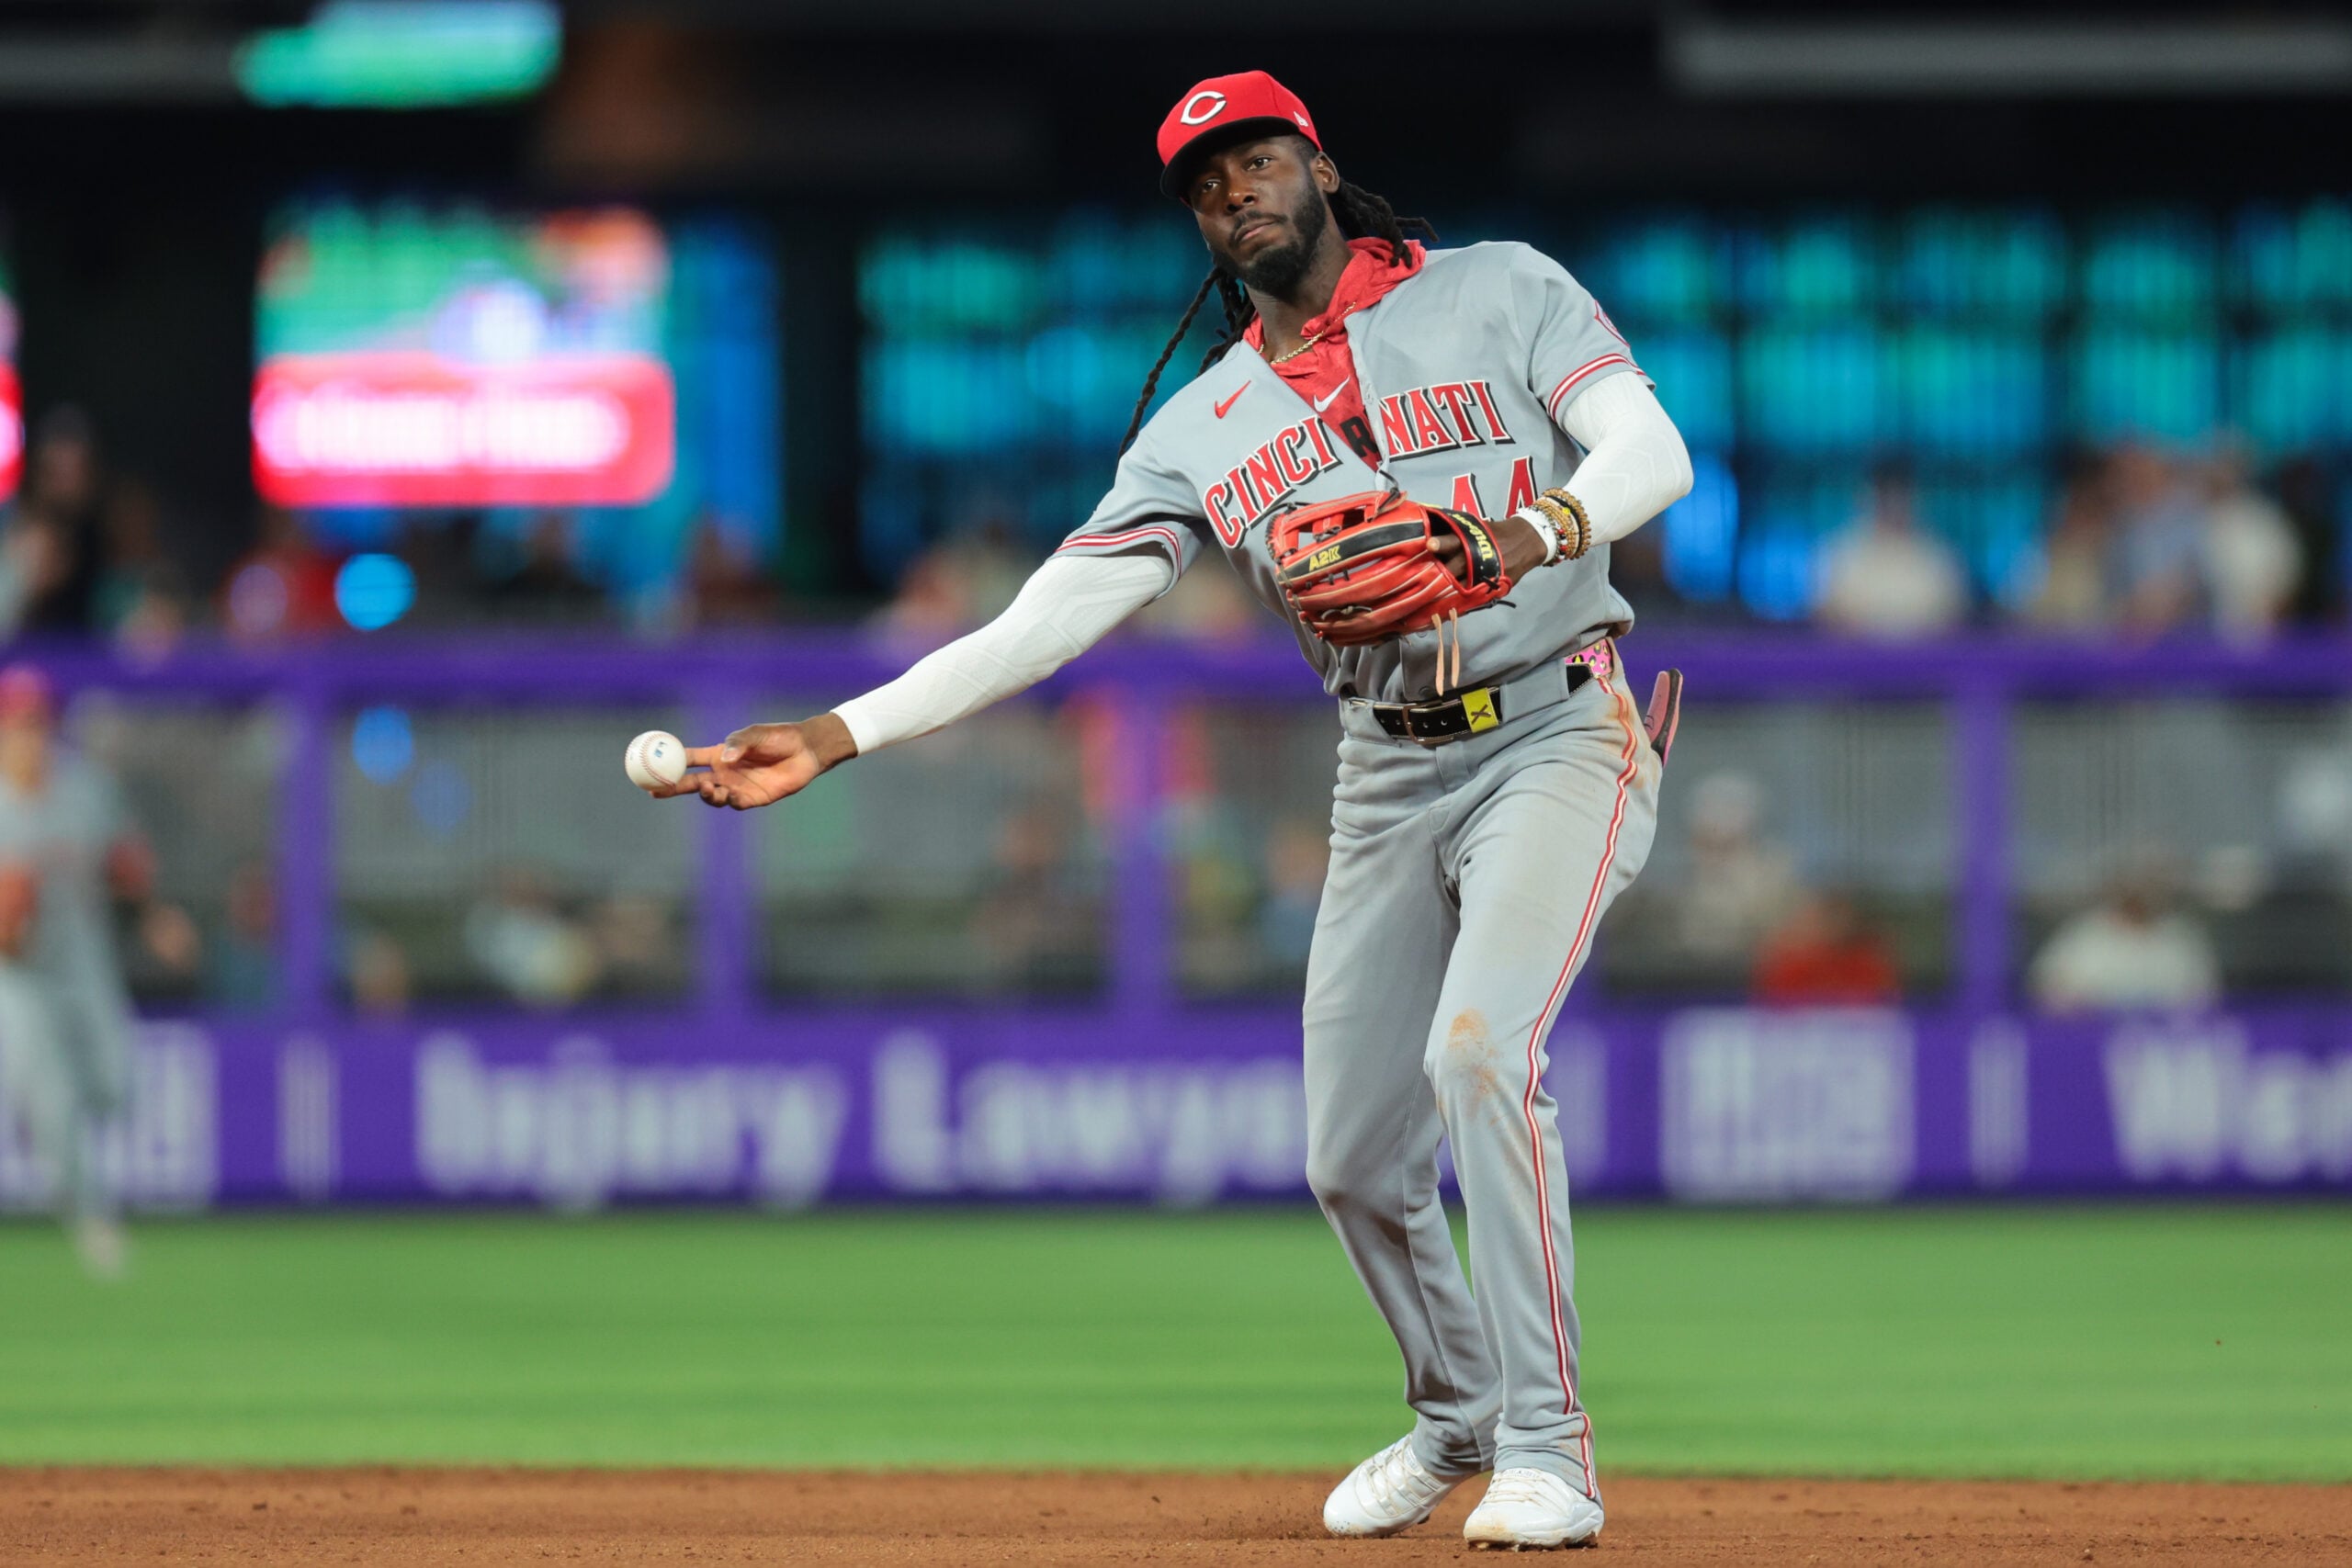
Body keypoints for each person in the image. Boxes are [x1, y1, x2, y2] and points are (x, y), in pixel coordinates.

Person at [650, 71, 1690, 1550]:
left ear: (1318, 164)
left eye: (1255, 157)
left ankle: (1547, 1445)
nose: (1233, 191)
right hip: (1385, 766)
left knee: (1478, 1052)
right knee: (1347, 1155)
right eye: (1204, 184)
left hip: (1556, 728)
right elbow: (1045, 617)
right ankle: (1454, 1406)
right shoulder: (1208, 423)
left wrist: (1526, 528)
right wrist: (837, 731)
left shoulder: (1498, 288)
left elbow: (1654, 452)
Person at [0, 666, 150, 1277]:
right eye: (21, 719)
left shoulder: (86, 789)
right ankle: (91, 1219)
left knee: (117, 1086)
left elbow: (127, 863)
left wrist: (145, 900)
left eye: (41, 718)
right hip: (18, 972)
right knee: (55, 1105)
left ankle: (47, 1112)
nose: (33, 730)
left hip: (85, 958)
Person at [1815, 463, 1968, 638]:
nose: (1894, 503)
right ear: (1865, 496)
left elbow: (1954, 621)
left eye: (1901, 494)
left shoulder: (1939, 556)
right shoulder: (1839, 553)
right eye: (1885, 494)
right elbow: (1826, 621)